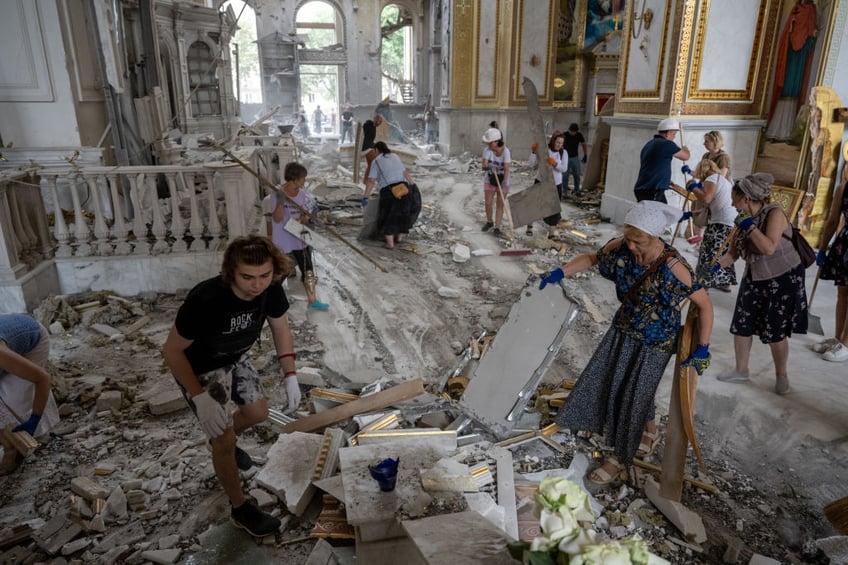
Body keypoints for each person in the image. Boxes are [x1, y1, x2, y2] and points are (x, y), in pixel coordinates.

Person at [538, 200, 714, 485]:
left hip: (655, 341)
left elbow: (705, 306)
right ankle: (650, 430)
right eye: (628, 238)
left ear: (654, 237)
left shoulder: (674, 267)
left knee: (634, 394)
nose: (630, 246)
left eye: (638, 241)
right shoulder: (621, 246)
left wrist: (703, 348)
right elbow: (592, 258)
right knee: (616, 382)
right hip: (624, 328)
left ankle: (620, 458)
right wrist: (561, 271)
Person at [162, 235, 302, 537]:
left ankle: (221, 443)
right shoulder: (205, 299)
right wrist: (199, 397)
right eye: (247, 277)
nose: (257, 284)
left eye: (264, 275)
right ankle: (240, 508)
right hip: (199, 367)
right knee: (224, 439)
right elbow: (171, 351)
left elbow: (280, 328)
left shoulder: (272, 289)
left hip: (236, 357)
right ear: (231, 272)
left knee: (258, 413)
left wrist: (290, 373)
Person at [714, 173, 808, 394]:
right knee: (742, 323)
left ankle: (781, 375)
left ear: (746, 198)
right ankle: (741, 370)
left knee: (775, 330)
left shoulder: (774, 214)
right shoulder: (742, 219)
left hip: (783, 277)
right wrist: (715, 268)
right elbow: (733, 253)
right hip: (755, 276)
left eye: (734, 199)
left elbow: (768, 248)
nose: (731, 203)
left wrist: (751, 227)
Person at [264, 162, 329, 312]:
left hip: (298, 235)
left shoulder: (302, 195)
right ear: (294, 178)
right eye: (302, 178)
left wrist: (305, 217)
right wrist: (280, 202)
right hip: (283, 238)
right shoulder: (277, 193)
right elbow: (277, 218)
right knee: (282, 272)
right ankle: (266, 300)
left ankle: (312, 301)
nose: (304, 181)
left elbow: (304, 219)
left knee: (308, 270)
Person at [0, 313, 60, 474]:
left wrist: (35, 418)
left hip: (32, 340)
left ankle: (30, 441)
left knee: (18, 398)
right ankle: (9, 444)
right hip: (9, 340)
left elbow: (42, 379)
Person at [812, 169, 848, 362]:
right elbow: (833, 219)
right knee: (842, 292)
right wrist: (823, 248)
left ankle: (846, 343)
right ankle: (838, 338)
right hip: (845, 243)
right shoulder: (844, 187)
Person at [688, 159, 737, 292]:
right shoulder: (721, 179)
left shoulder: (712, 178)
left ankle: (704, 283)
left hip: (721, 222)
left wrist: (693, 188)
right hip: (730, 221)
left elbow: (706, 198)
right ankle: (724, 282)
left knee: (708, 251)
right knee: (723, 251)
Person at [364, 141, 421, 249]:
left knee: (388, 216)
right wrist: (412, 185)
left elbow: (371, 181)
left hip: (389, 192)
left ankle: (390, 244)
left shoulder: (376, 161)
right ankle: (399, 239)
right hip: (404, 188)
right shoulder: (395, 156)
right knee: (403, 215)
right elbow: (405, 173)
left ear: (376, 150)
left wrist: (365, 197)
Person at [633, 118, 690, 203]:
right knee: (657, 214)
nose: (674, 137)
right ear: (668, 133)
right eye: (674, 134)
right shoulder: (666, 144)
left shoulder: (650, 144)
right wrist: (686, 149)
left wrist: (665, 180)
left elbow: (654, 166)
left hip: (645, 188)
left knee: (660, 212)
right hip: (652, 189)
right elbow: (686, 157)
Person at [526, 131, 567, 238]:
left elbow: (564, 168)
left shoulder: (563, 153)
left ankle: (552, 232)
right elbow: (531, 164)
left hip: (555, 184)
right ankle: (529, 226)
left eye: (561, 143)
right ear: (553, 141)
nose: (559, 145)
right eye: (558, 142)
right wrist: (534, 152)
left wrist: (555, 163)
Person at [481, 125, 511, 237]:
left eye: (490, 143)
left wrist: (505, 182)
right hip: (490, 178)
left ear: (496, 141)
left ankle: (497, 227)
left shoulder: (506, 152)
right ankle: (489, 222)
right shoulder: (487, 150)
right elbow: (483, 165)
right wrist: (488, 167)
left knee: (500, 204)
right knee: (488, 202)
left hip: (503, 178)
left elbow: (507, 168)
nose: (488, 145)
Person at [563, 123, 588, 196]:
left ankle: (577, 190)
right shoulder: (565, 135)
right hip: (565, 157)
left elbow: (583, 144)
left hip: (575, 157)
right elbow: (560, 145)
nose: (573, 133)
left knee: (577, 174)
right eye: (571, 131)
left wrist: (585, 154)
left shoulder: (579, 135)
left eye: (574, 132)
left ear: (576, 131)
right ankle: (564, 191)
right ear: (569, 130)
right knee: (565, 175)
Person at [360, 114, 385, 185]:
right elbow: (366, 138)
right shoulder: (368, 125)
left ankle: (366, 181)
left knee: (371, 165)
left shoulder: (373, 127)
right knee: (375, 163)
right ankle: (370, 180)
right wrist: (374, 146)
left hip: (369, 147)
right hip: (366, 148)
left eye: (381, 122)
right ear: (375, 119)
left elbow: (370, 139)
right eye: (379, 121)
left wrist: (375, 145)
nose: (379, 124)